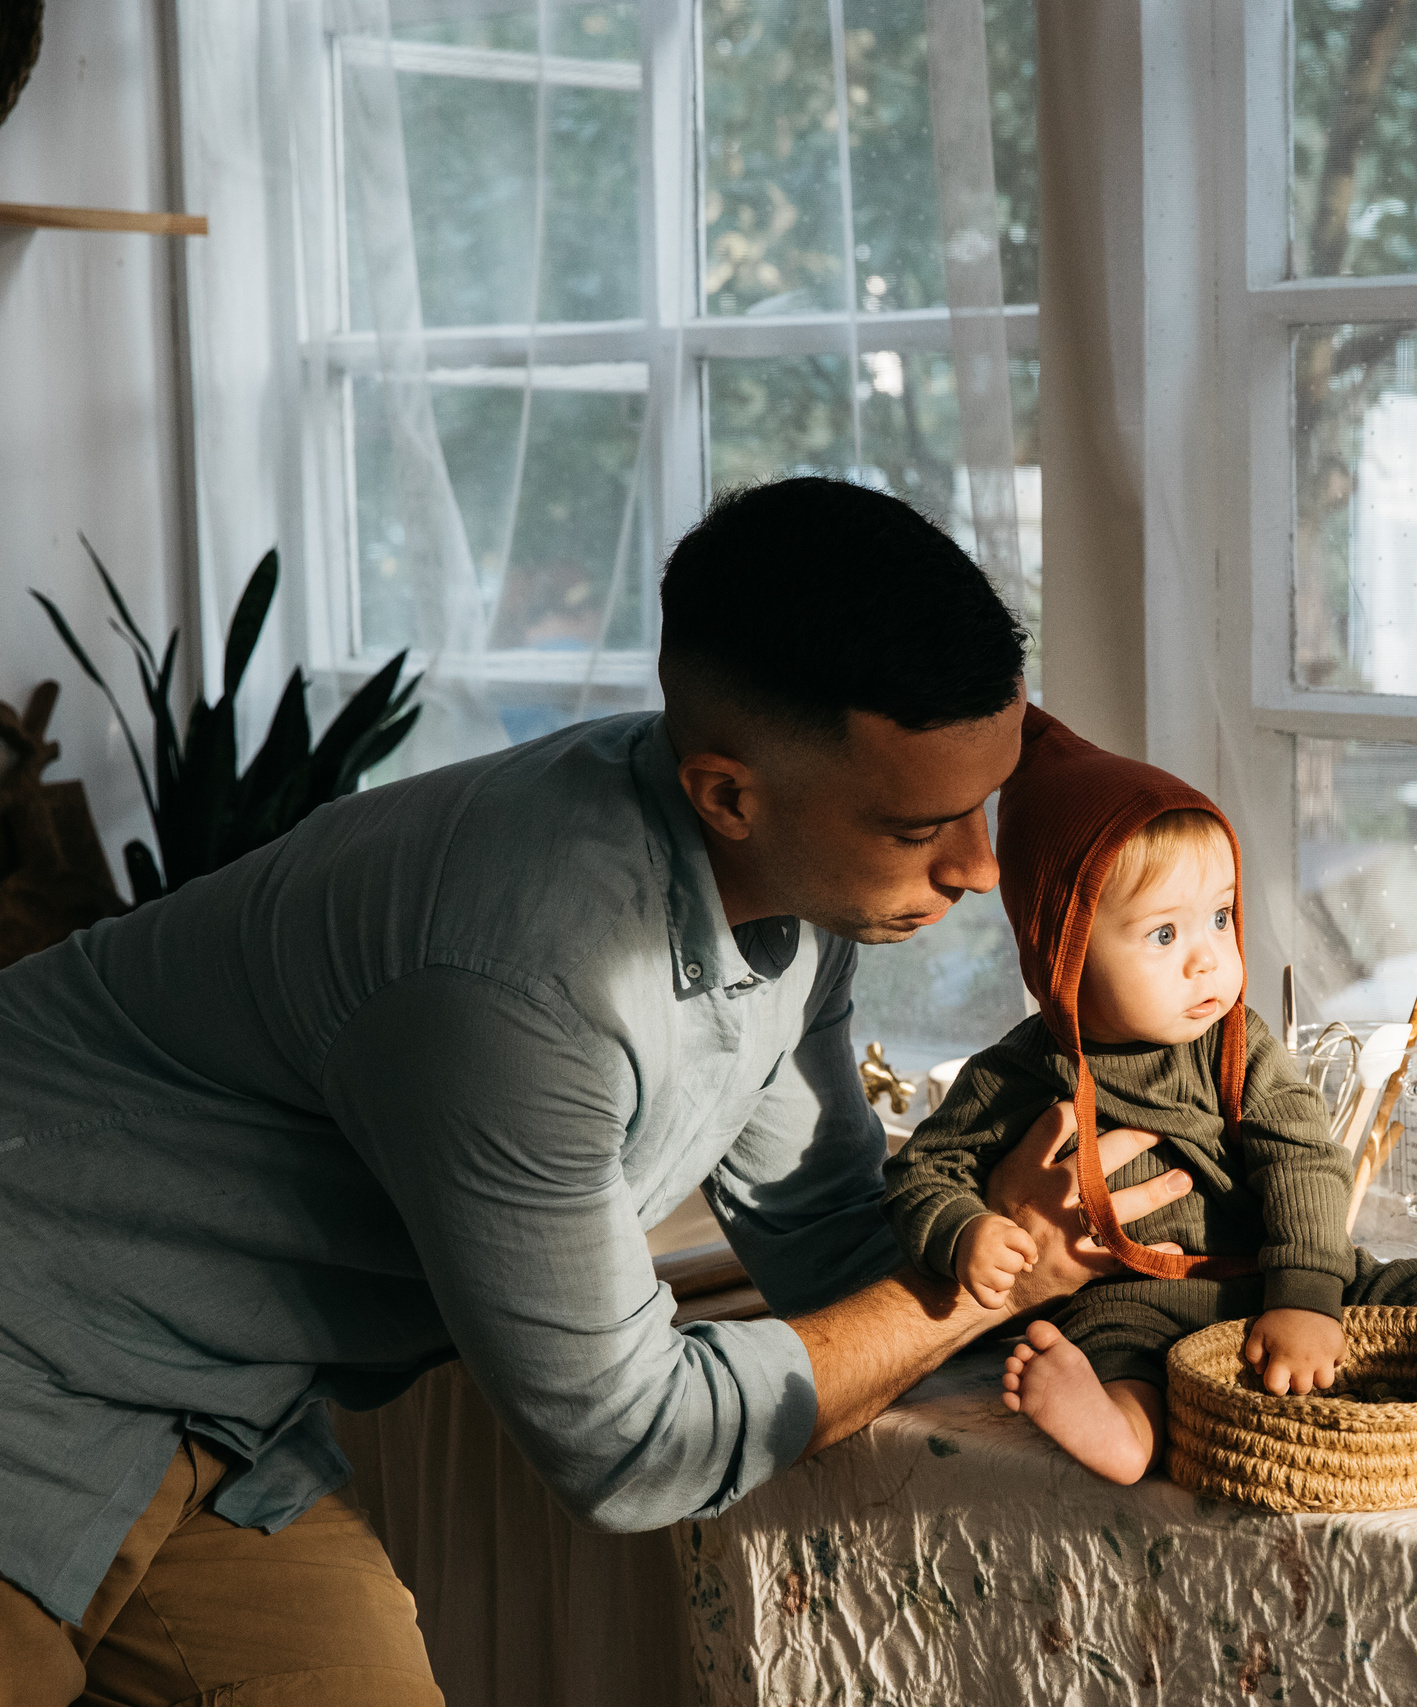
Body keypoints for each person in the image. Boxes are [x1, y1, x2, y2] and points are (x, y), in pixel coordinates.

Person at [0, 479, 1196, 1707]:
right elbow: (633, 1449)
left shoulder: (798, 893)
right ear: (727, 794)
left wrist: (1154, 1291)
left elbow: (832, 1252)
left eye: (984, 805)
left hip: (218, 1419)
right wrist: (999, 1274)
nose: (980, 868)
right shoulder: (518, 980)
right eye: (919, 828)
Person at [884, 707, 1417, 1485]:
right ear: (1066, 950)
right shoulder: (1016, 1073)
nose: (1207, 960)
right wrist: (963, 1230)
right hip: (1130, 1292)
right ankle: (1124, 1429)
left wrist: (1304, 1294)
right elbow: (923, 1171)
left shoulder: (1236, 1042)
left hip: (1271, 1263)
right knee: (1105, 1338)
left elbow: (1303, 1159)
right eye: (1164, 934)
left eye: (1220, 918)